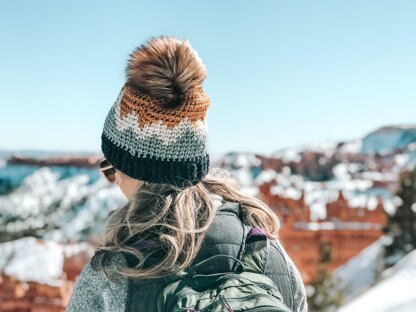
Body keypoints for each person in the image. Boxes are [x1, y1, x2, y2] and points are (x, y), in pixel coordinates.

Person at [66, 35, 307, 312]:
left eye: (112, 167)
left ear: (138, 172)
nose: (114, 178)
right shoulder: (269, 253)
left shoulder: (114, 275)